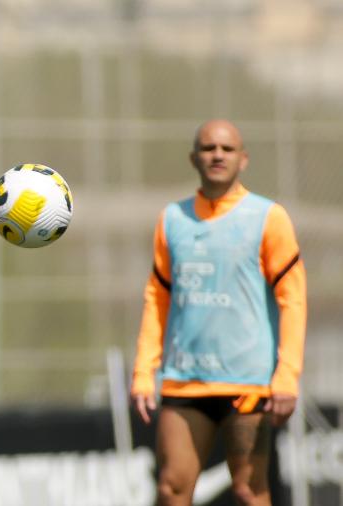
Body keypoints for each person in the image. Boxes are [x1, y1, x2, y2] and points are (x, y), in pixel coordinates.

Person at [130, 119, 307, 506]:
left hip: (248, 383)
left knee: (248, 491)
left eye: (227, 149)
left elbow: (292, 299)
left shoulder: (268, 218)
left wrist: (287, 375)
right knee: (171, 489)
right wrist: (145, 371)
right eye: (209, 148)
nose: (217, 155)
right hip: (184, 381)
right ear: (194, 157)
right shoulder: (172, 220)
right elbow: (156, 298)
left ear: (243, 159)